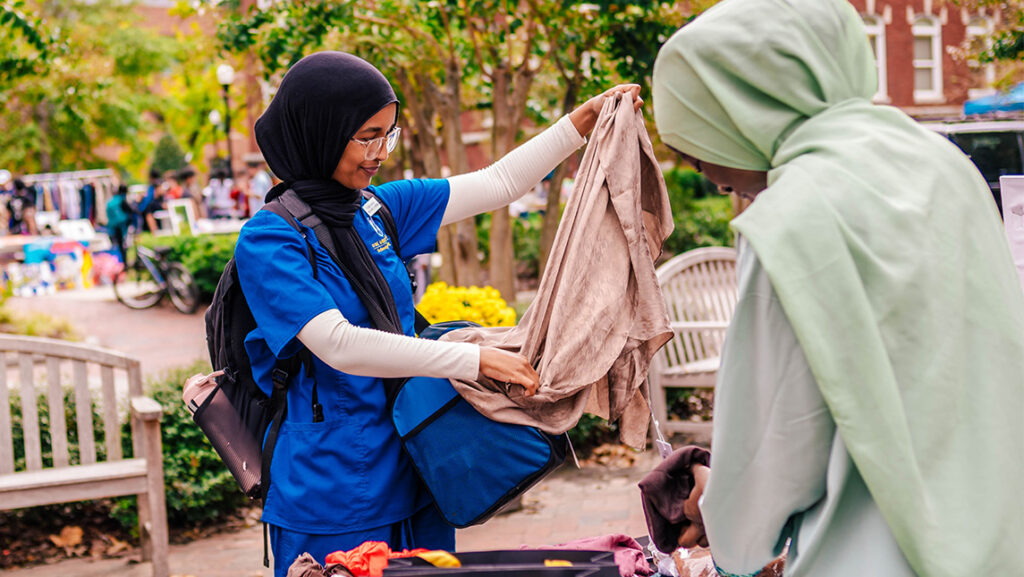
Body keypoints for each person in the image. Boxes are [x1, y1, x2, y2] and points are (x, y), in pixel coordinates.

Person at [650, 1, 1024, 576]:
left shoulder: (791, 217)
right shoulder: (944, 166)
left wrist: (719, 511)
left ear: (748, 105)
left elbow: (770, 454)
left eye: (700, 144)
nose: (709, 169)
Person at [234, 51, 641, 575]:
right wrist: (473, 361)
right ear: (320, 130)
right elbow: (338, 343)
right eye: (366, 136)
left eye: (389, 134)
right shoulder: (270, 238)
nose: (381, 151)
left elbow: (498, 183)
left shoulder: (378, 210)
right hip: (334, 489)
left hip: (419, 465)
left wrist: (583, 122)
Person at [105, 184, 133, 263]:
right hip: (121, 226)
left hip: (112, 226)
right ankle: (124, 263)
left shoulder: (113, 199)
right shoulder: (122, 199)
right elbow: (131, 210)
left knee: (116, 245)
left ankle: (118, 263)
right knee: (123, 245)